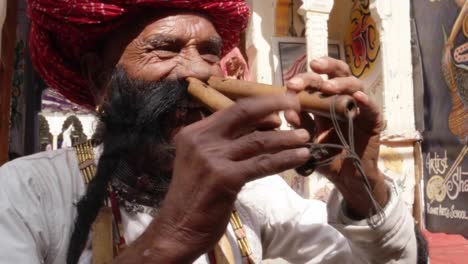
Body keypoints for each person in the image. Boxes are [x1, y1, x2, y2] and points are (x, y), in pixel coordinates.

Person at [0, 1, 419, 263]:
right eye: (165, 48)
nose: (198, 70)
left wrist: (363, 185)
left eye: (209, 52)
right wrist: (173, 236)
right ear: (98, 77)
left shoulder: (253, 191)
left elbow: (381, 260)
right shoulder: (22, 193)